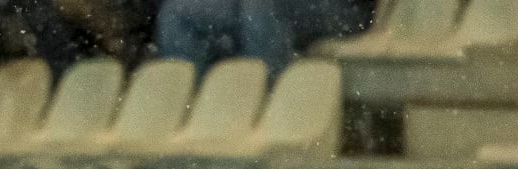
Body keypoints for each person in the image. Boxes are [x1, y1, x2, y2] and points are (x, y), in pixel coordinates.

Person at [154, 0, 372, 76]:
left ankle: (269, 99)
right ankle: (196, 108)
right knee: (178, 11)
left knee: (258, 6)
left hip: (342, 9)